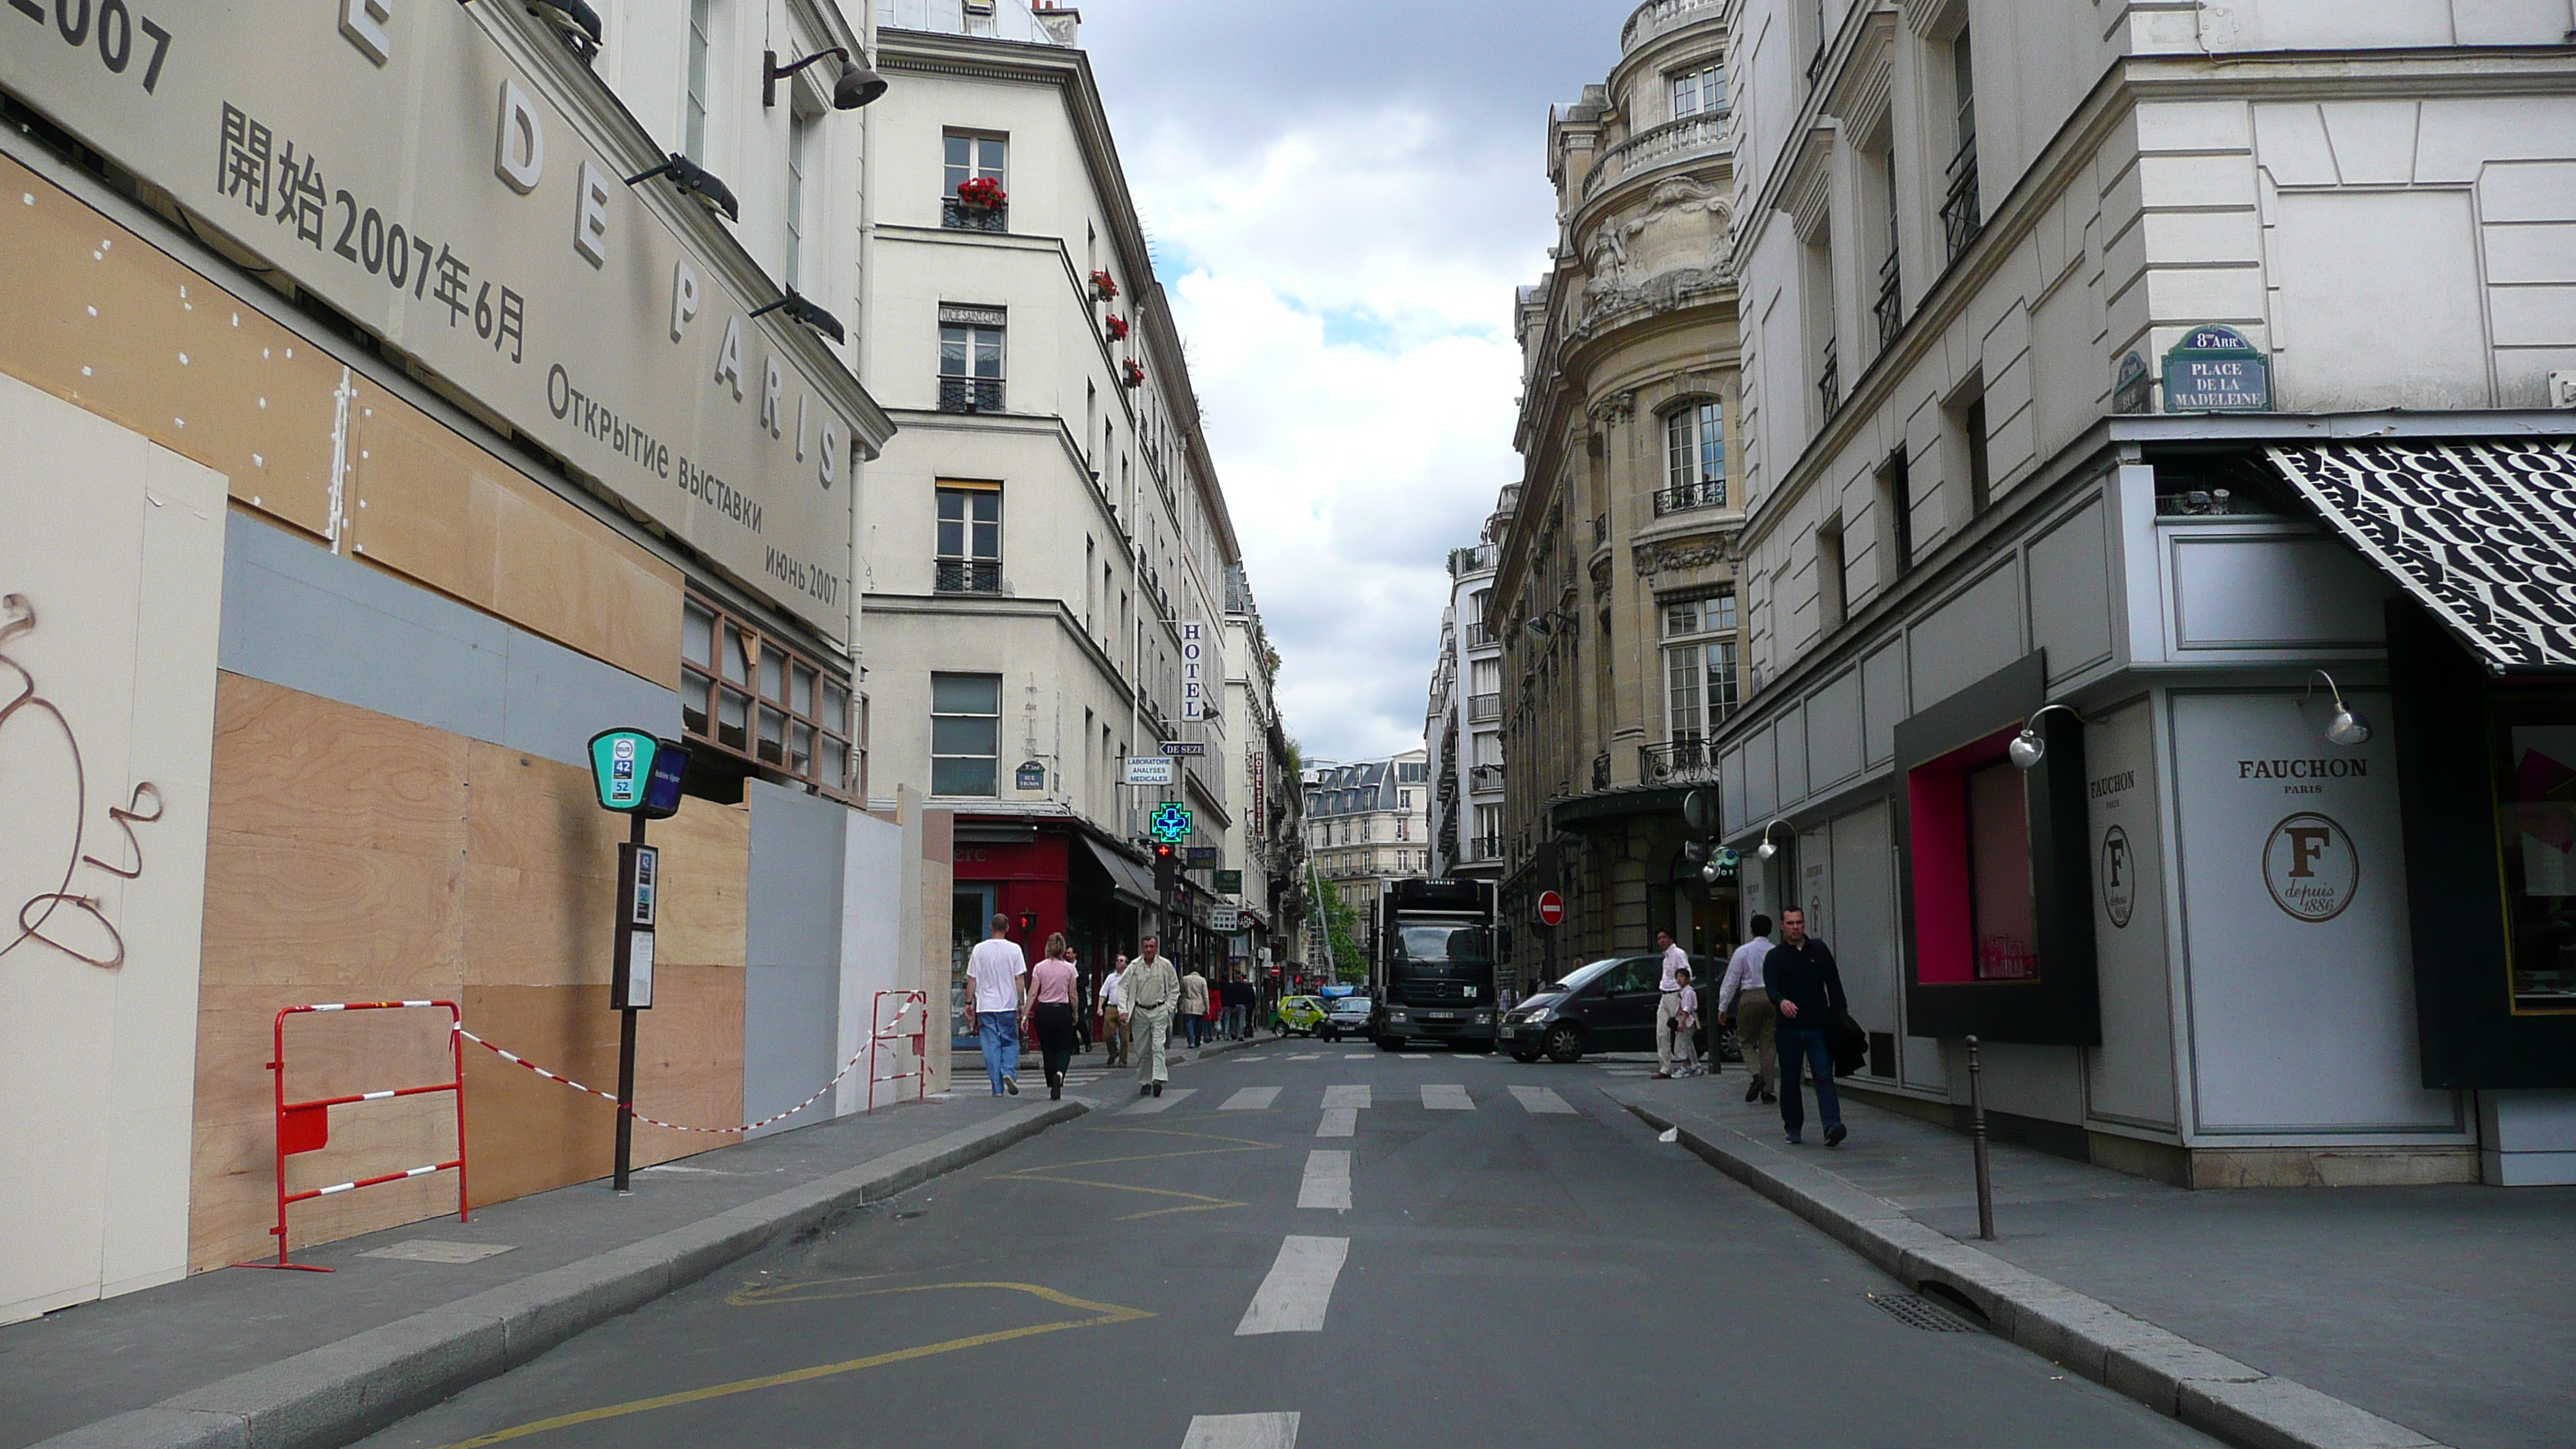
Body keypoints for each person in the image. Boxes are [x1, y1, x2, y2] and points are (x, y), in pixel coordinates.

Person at [1764, 906, 1848, 1147]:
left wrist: (1841, 1014)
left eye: (1799, 922)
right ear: (1782, 926)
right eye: (1790, 923)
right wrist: (1781, 1001)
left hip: (1818, 1026)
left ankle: (1832, 1125)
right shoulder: (1775, 957)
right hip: (1788, 1029)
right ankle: (1793, 1126)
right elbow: (1771, 988)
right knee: (1790, 1079)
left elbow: (1833, 983)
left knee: (1824, 1075)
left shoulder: (1819, 950)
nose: (1795, 927)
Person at [964, 913, 1028, 1097]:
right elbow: (1019, 978)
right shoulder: (1015, 949)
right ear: (1007, 928)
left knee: (991, 1046)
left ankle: (997, 1087)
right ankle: (1008, 1070)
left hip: (986, 1005)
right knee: (1010, 1041)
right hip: (1007, 1004)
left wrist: (969, 1002)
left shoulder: (979, 950)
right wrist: (1021, 1003)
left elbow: (972, 979)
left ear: (991, 927)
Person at [1718, 915, 1778, 1105]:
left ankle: (1756, 1074)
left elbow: (1731, 981)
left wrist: (1723, 1006)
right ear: (1770, 930)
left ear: (1751, 930)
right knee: (1768, 1044)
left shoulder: (1743, 952)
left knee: (1745, 1041)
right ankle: (1768, 1090)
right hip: (1772, 997)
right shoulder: (1775, 951)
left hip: (1750, 997)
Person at [1026, 933, 1081, 1100]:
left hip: (1043, 1011)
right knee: (1065, 1047)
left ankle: (1051, 1081)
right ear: (1063, 949)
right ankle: (1060, 1073)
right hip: (1062, 1011)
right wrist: (1076, 1013)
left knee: (1047, 1048)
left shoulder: (1039, 967)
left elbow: (1033, 992)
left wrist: (1025, 1013)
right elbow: (1073, 994)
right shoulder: (1070, 968)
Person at [1125, 937, 1180, 1096]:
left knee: (1157, 1046)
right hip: (1140, 1011)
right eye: (1146, 947)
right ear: (1142, 948)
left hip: (1159, 1009)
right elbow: (1124, 987)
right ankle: (1145, 1081)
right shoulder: (1134, 966)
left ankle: (1158, 1079)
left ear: (1156, 948)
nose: (1149, 949)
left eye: (1152, 946)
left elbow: (1174, 988)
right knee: (1142, 1050)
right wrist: (1125, 1010)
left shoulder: (1165, 965)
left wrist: (1168, 1008)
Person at [1653, 929, 1695, 1079]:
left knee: (1682, 1032)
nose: (1661, 941)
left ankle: (1693, 1064)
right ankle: (1665, 1067)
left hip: (1675, 994)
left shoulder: (1678, 953)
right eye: (1659, 938)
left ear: (1671, 939)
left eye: (1664, 937)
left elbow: (1687, 972)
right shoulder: (1666, 957)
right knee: (1662, 1032)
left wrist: (1683, 992)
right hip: (1665, 994)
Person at [1667, 968, 1702, 1077]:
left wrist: (1682, 1023)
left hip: (1686, 1021)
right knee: (1688, 1044)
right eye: (1678, 977)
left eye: (1682, 977)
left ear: (1687, 979)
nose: (1679, 980)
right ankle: (1694, 1066)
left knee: (1682, 1044)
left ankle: (1685, 1067)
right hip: (1682, 1019)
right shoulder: (1683, 991)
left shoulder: (1688, 992)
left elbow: (1687, 1008)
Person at [1098, 954, 1130, 1067]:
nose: (1118, 962)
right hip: (1111, 1007)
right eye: (1117, 960)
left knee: (1124, 1037)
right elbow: (1103, 993)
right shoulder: (1111, 977)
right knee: (1108, 1034)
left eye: (1121, 961)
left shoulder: (1130, 977)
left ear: (1126, 964)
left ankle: (1123, 1060)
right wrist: (1099, 1007)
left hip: (1124, 1008)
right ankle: (1113, 1052)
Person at [1179, 963, 1209, 1050]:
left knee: (1189, 1023)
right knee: (1199, 1024)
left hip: (1188, 1003)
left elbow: (1181, 990)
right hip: (1199, 1004)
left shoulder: (1185, 979)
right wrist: (1207, 1007)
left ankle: (1190, 1041)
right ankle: (1197, 1040)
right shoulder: (1202, 980)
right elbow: (1205, 995)